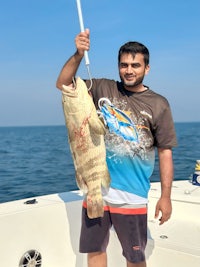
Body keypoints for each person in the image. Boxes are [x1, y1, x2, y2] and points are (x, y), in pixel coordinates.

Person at [56, 29, 177, 267]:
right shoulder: (102, 88)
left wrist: (165, 196)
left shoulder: (158, 104)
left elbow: (165, 152)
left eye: (135, 65)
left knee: (134, 257)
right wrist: (79, 54)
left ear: (147, 68)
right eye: (124, 65)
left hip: (131, 196)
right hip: (96, 190)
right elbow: (63, 84)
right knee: (94, 250)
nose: (129, 70)